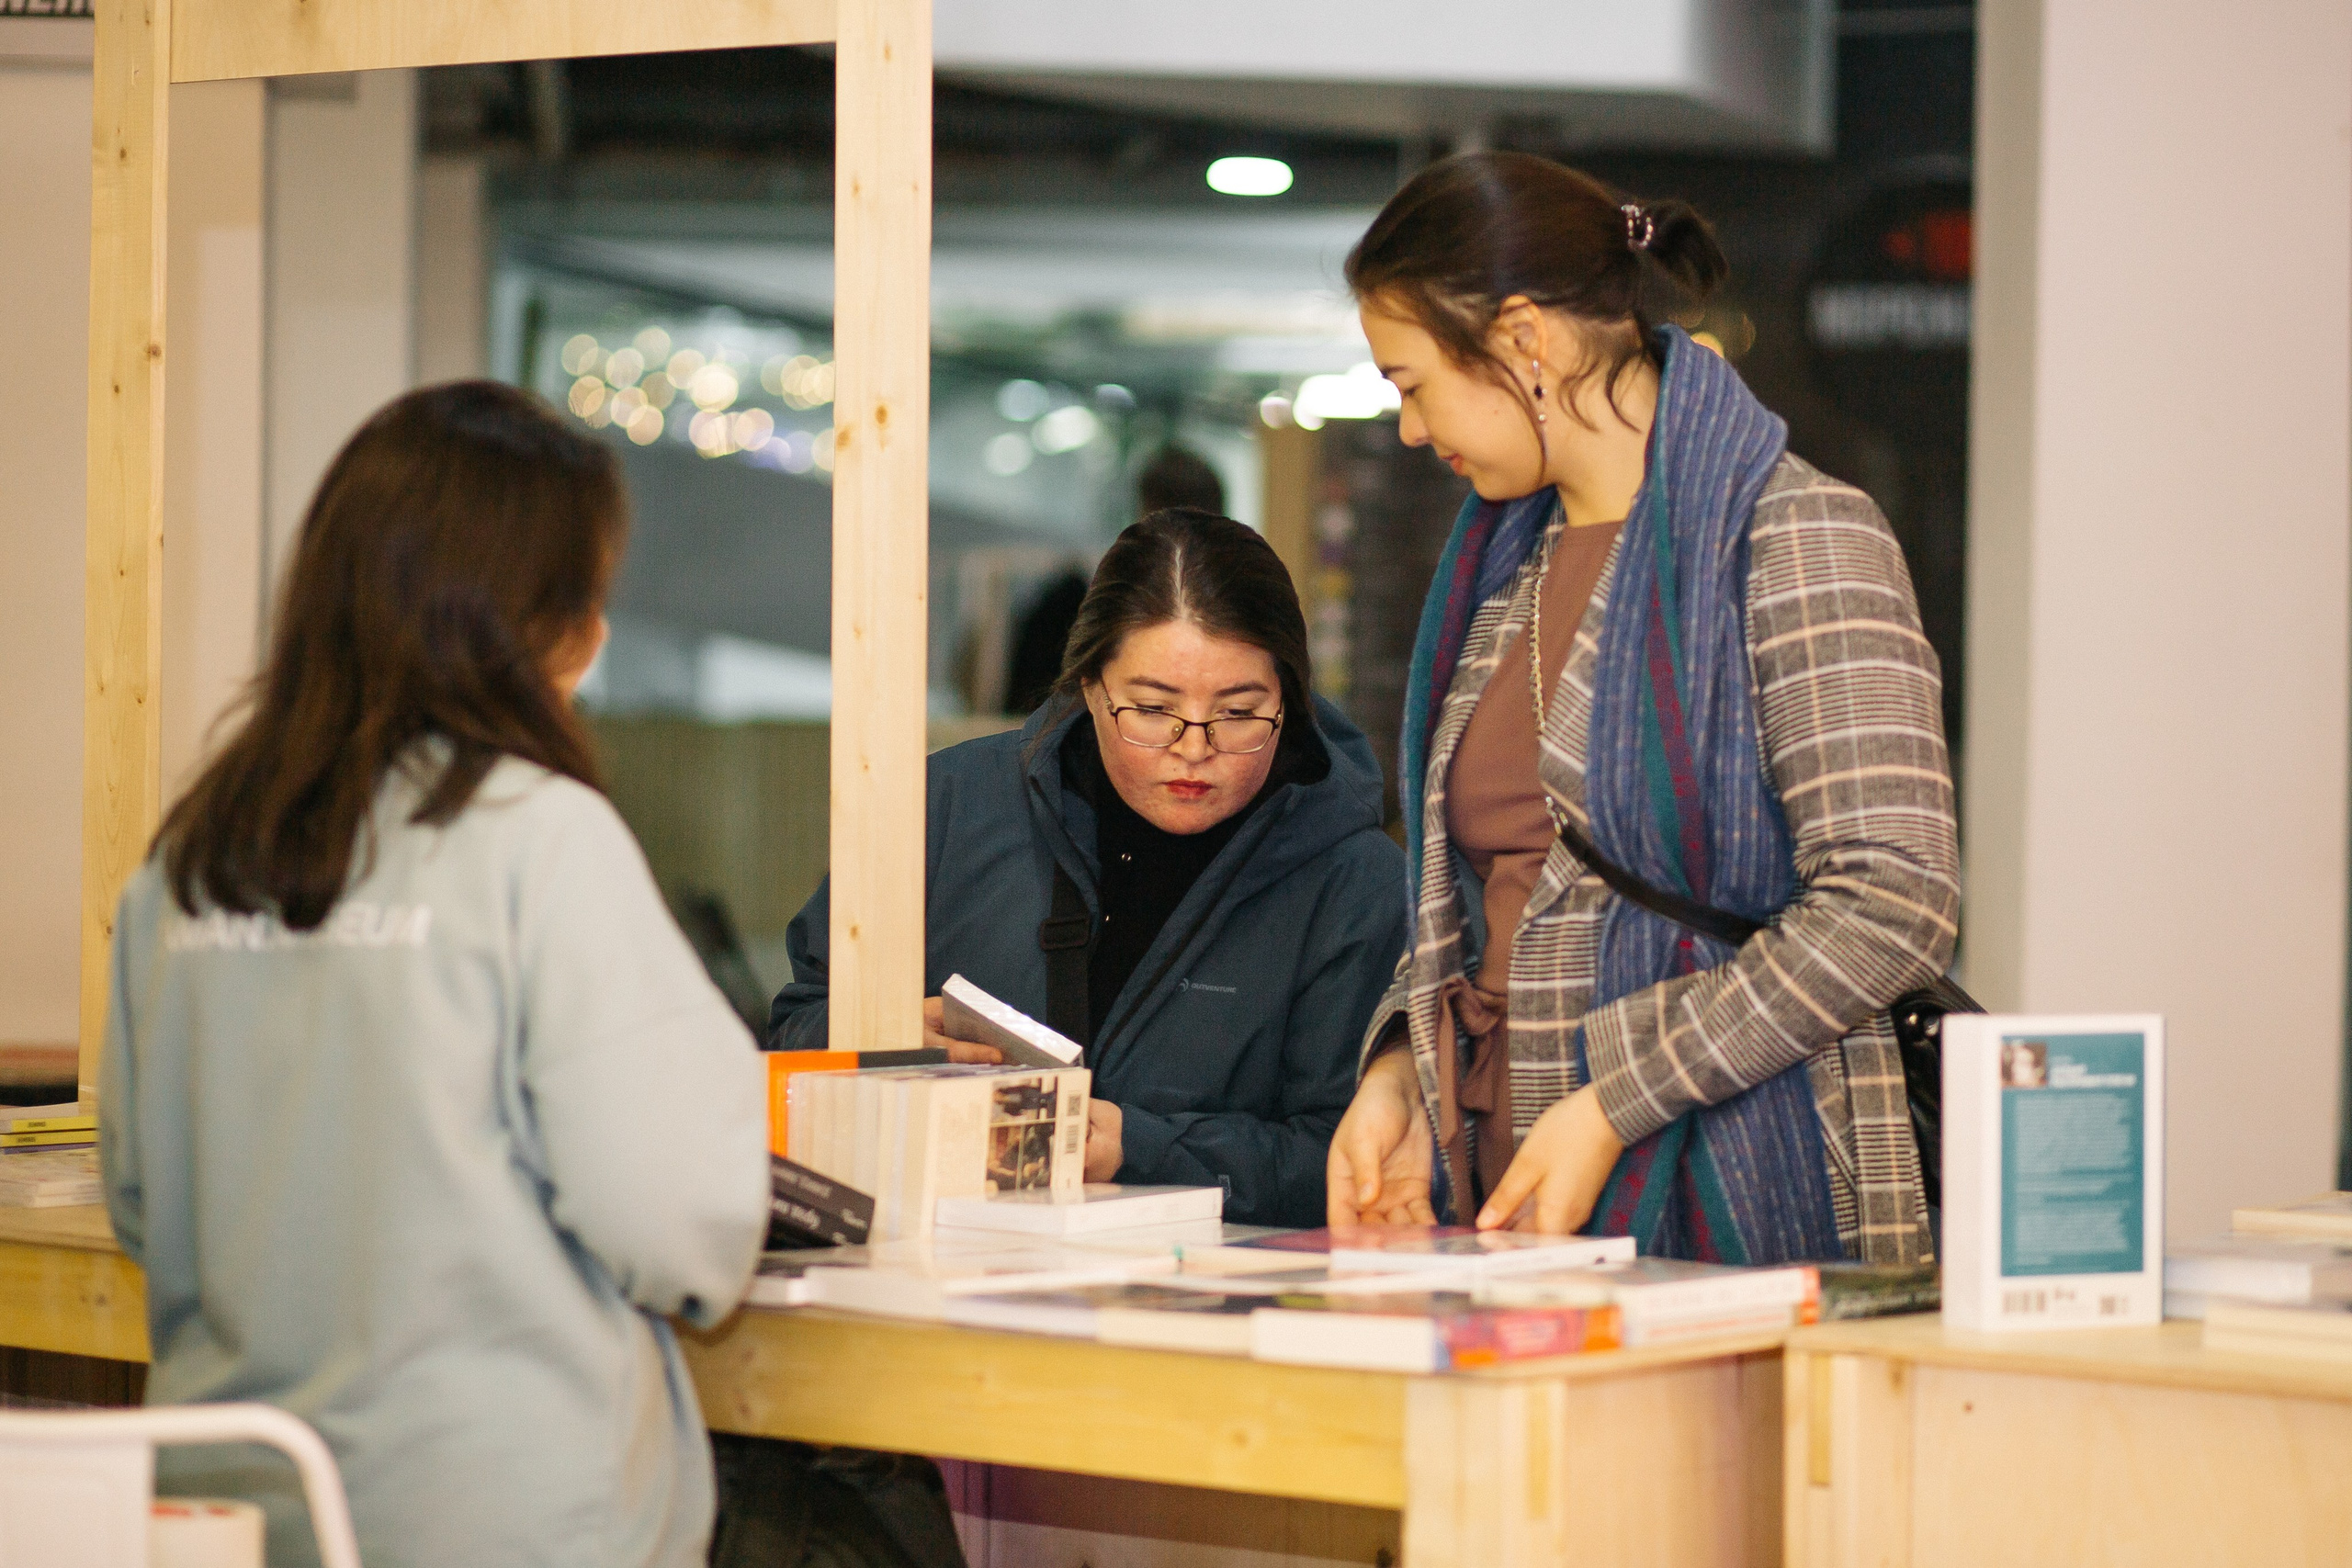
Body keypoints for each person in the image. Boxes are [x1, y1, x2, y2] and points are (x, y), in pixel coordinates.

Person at [99, 382, 772, 1567]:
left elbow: (142, 1199)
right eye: (588, 597)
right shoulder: (535, 836)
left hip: (235, 1509)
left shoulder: (193, 859)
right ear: (537, 621)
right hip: (502, 1513)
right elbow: (675, 1217)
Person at [1327, 152, 1959, 1265]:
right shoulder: (1502, 564)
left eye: (1410, 383)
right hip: (1498, 1183)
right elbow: (1490, 895)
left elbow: (1892, 898)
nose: (1411, 432)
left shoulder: (1793, 534)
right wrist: (1397, 1074)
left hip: (1740, 1174)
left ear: (1522, 338)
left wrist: (1615, 1101)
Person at [773, 509, 1407, 1228]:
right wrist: (878, 1039)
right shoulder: (941, 810)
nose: (1192, 747)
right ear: (1089, 684)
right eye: (1152, 708)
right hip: (920, 1278)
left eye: (1238, 712)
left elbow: (1347, 1156)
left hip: (1197, 1313)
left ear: (1290, 700)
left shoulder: (1356, 883)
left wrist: (1139, 1149)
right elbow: (791, 1031)